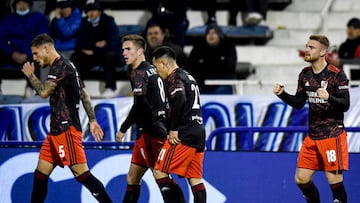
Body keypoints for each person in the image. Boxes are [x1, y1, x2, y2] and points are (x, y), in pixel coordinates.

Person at [21, 33, 112, 202]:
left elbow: (43, 92)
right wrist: (92, 120)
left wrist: (30, 75)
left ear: (46, 48)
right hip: (55, 131)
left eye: (35, 53)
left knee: (82, 174)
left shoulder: (60, 67)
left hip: (66, 130)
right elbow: (84, 94)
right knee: (40, 174)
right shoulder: (68, 66)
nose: (34, 58)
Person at [273, 34, 349, 203]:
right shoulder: (305, 74)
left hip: (332, 135)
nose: (306, 50)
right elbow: (299, 102)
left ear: (323, 52)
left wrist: (329, 97)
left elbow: (345, 104)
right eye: (306, 46)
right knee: (301, 179)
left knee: (335, 183)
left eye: (311, 47)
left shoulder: (337, 75)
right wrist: (282, 94)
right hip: (312, 136)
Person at [151, 46, 207, 203]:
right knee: (195, 178)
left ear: (164, 63)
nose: (156, 71)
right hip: (198, 131)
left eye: (155, 67)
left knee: (159, 171)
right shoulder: (188, 76)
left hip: (184, 132)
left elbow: (180, 99)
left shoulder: (174, 78)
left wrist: (173, 129)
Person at [116, 34, 167, 202]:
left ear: (140, 51)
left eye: (128, 49)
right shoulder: (151, 69)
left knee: (161, 176)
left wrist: (123, 128)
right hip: (148, 130)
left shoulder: (140, 72)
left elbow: (139, 105)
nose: (124, 53)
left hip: (151, 131)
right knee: (132, 177)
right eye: (123, 49)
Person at [70, 1, 123, 98]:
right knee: (75, 57)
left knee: (109, 56)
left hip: (104, 54)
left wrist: (94, 50)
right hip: (91, 55)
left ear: (99, 12)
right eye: (89, 11)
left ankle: (110, 87)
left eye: (94, 10)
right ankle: (78, 87)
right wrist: (95, 44)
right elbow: (80, 43)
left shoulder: (109, 22)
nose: (92, 13)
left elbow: (114, 44)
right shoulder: (85, 23)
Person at [0, 0, 50, 98]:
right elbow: (1, 39)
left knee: (39, 58)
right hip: (11, 53)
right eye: (19, 3)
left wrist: (28, 53)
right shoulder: (7, 19)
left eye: (25, 3)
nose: (22, 6)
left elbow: (43, 38)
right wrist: (12, 53)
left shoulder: (39, 18)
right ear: (14, 6)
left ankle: (33, 89)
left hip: (31, 53)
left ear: (29, 5)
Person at [187, 22, 237, 94]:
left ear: (220, 35)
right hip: (202, 84)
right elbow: (191, 66)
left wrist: (205, 65)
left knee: (221, 92)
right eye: (208, 33)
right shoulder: (199, 47)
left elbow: (229, 66)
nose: (211, 35)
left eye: (214, 33)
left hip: (222, 83)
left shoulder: (228, 46)